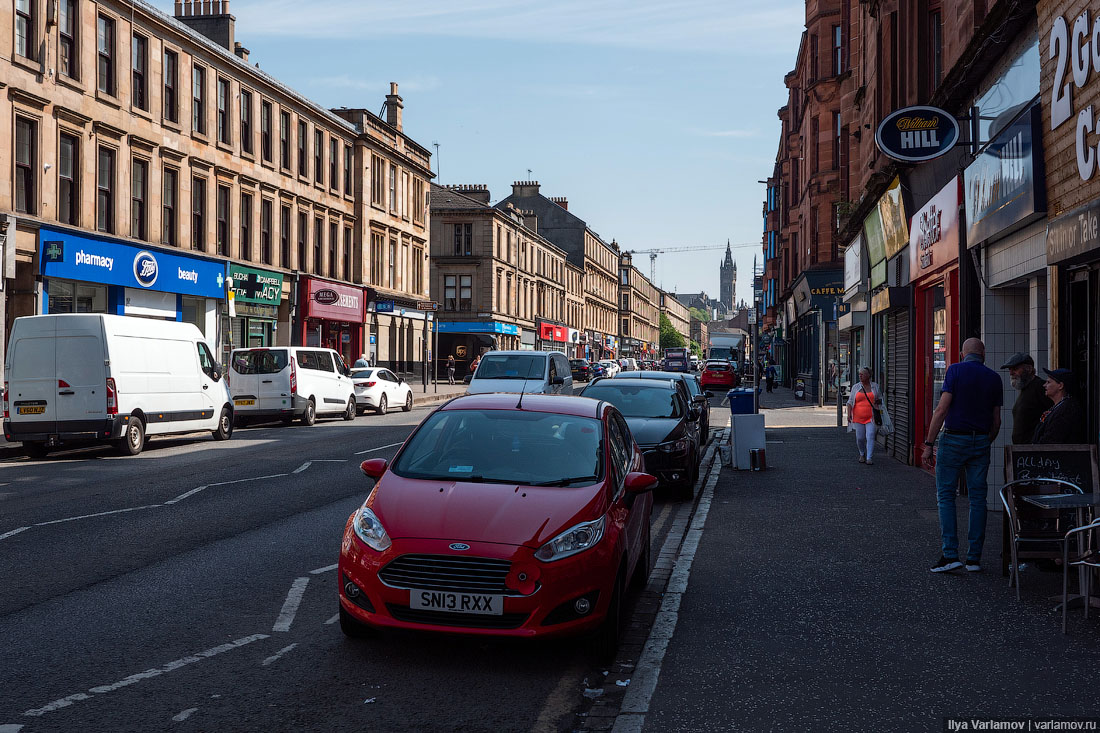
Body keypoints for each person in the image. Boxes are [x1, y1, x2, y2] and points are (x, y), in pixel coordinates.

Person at [921, 338, 1003, 574]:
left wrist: (928, 443)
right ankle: (974, 559)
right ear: (983, 354)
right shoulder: (994, 378)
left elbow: (941, 409)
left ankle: (950, 555)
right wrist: (986, 441)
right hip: (980, 441)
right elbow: (996, 421)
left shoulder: (954, 371)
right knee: (978, 499)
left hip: (954, 439)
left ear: (962, 353)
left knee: (946, 496)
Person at [1000, 352, 1051, 444]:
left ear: (1029, 369)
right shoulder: (1025, 388)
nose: (1011, 373)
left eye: (1015, 369)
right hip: (1022, 450)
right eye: (1010, 369)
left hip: (1033, 449)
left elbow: (1051, 417)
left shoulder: (1040, 387)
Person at [1032, 368, 1088, 444]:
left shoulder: (1067, 410)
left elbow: (1051, 441)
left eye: (1048, 382)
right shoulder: (1058, 407)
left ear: (1060, 385)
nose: (1044, 385)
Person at [846, 367, 882, 465]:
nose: (860, 376)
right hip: (858, 417)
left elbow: (880, 400)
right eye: (859, 374)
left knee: (870, 435)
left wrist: (877, 404)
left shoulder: (875, 387)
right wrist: (849, 414)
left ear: (868, 375)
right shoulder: (856, 387)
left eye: (862, 374)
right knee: (860, 438)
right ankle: (862, 453)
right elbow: (850, 401)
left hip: (871, 417)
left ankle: (869, 457)